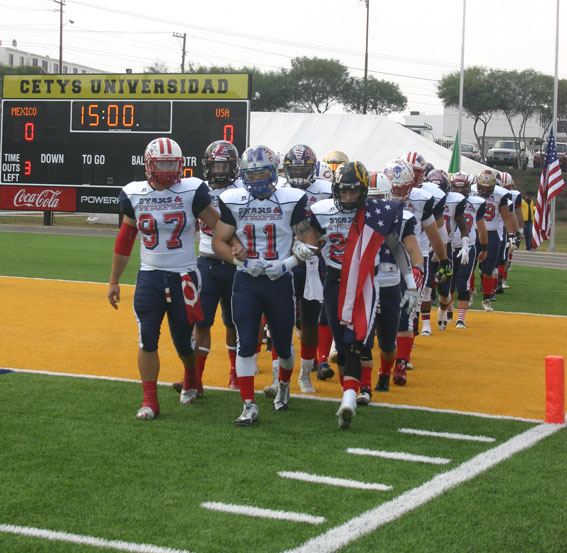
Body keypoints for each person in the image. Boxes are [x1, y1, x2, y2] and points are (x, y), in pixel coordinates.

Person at [107, 137, 221, 420]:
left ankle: (192, 376)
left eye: (172, 163)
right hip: (150, 274)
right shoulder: (134, 194)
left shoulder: (192, 191)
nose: (168, 169)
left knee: (183, 340)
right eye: (162, 163)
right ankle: (149, 400)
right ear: (149, 165)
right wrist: (113, 280)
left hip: (184, 275)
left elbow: (219, 223)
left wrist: (237, 246)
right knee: (147, 337)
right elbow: (125, 239)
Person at [212, 144, 320, 426]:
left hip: (279, 281)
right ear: (244, 175)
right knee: (246, 343)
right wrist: (241, 263)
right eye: (252, 175)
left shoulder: (290, 199)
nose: (257, 180)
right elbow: (219, 241)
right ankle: (248, 404)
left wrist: (286, 265)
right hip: (247, 281)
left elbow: (311, 243)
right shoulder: (234, 199)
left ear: (273, 173)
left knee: (283, 346)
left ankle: (283, 387)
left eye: (262, 174)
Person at [310, 162, 418, 429]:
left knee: (356, 344)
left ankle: (349, 400)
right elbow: (305, 240)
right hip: (334, 283)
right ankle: (348, 393)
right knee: (343, 347)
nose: (348, 197)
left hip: (365, 283)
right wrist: (298, 252)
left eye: (354, 191)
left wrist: (411, 284)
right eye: (343, 191)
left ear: (363, 192)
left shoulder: (376, 212)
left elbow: (397, 247)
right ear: (336, 189)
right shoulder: (321, 211)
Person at [280, 144, 333, 394]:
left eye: (304, 169)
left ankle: (304, 373)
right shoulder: (278, 190)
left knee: (310, 319)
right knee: (281, 319)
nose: (299, 174)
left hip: (313, 260)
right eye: (295, 169)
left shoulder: (324, 191)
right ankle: (278, 376)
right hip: (284, 259)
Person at [190, 140, 243, 392]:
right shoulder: (198, 189)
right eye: (216, 165)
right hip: (206, 261)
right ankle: (196, 378)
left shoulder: (242, 190)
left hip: (234, 262)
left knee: (233, 323)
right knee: (201, 322)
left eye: (224, 165)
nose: (219, 170)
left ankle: (234, 372)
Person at [470, 170, 516, 312]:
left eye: (488, 187)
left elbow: (506, 216)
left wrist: (511, 235)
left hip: (491, 234)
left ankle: (486, 299)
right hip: (474, 233)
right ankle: (470, 293)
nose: (484, 190)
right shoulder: (470, 191)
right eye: (482, 187)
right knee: (470, 266)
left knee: (489, 269)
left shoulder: (500, 194)